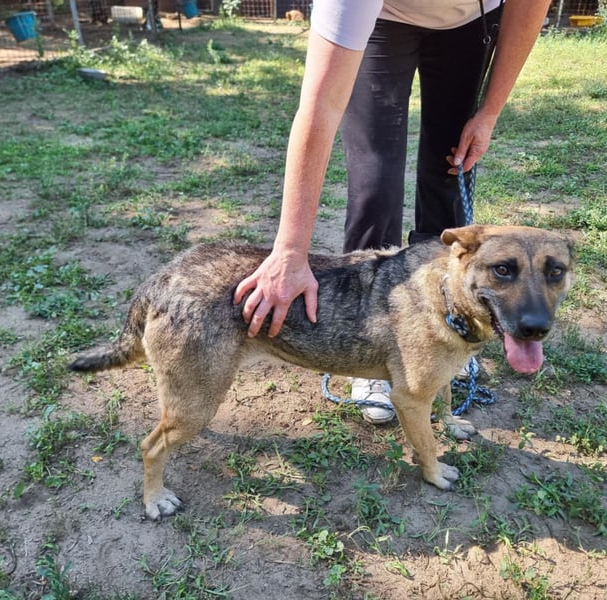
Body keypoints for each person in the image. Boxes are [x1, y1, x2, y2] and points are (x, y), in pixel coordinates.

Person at [235, 0, 551, 423]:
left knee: (449, 166)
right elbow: (320, 109)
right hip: (382, 19)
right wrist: (290, 251)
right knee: (375, 175)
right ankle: (370, 343)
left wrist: (488, 114)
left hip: (470, 21)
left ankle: (451, 327)